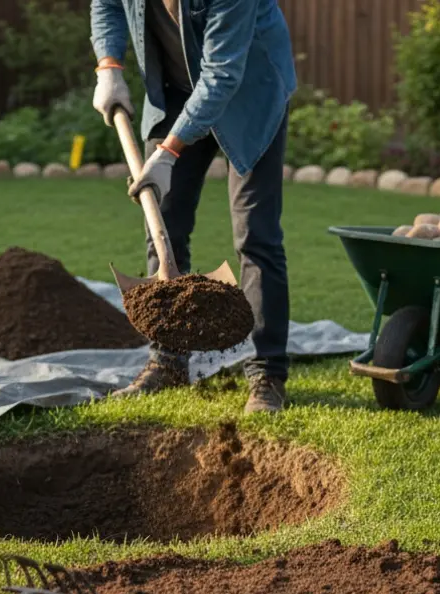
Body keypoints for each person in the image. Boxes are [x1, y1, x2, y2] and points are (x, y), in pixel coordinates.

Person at [90, 0, 297, 414]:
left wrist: (168, 154)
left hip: (247, 92)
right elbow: (106, 3)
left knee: (256, 234)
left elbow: (222, 75)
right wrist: (109, 65)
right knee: (162, 224)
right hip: (172, 92)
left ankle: (266, 373)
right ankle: (168, 359)